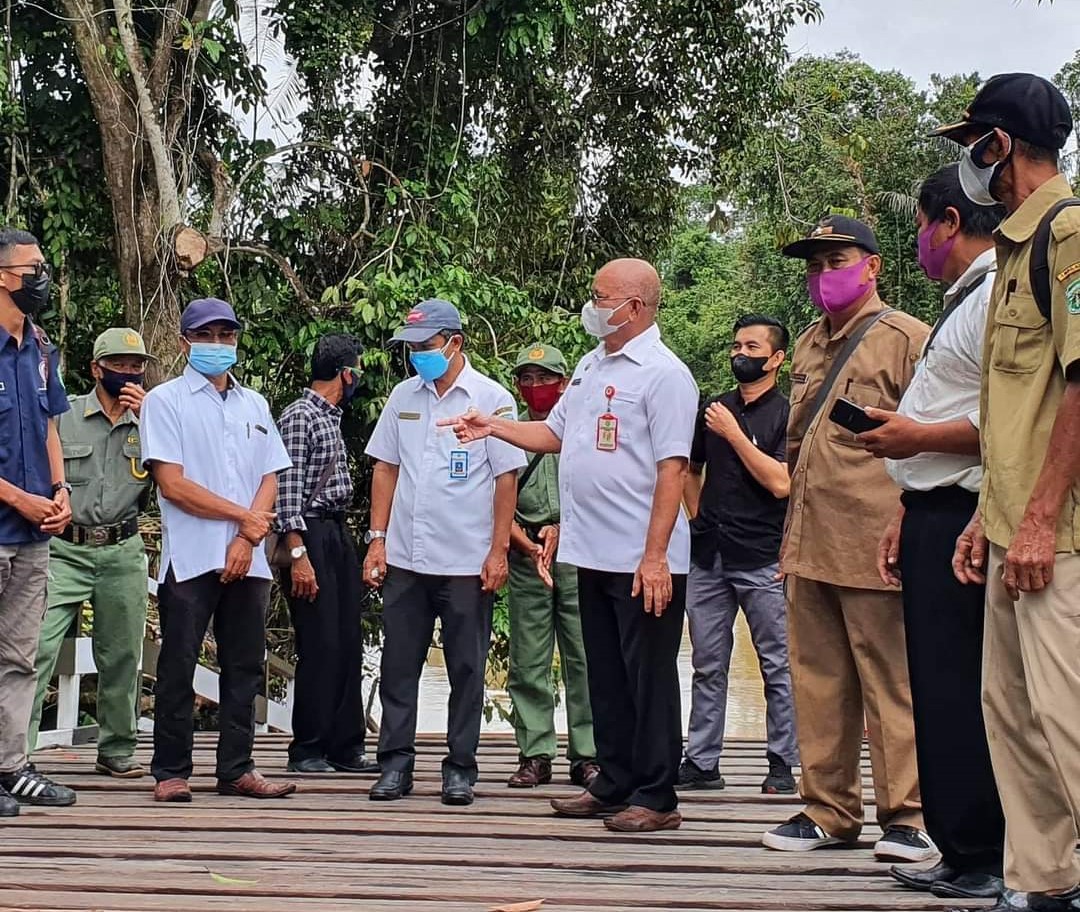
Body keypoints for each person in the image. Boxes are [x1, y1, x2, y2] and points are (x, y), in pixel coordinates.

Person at [442, 258, 699, 834]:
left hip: (643, 559)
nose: (592, 304)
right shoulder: (588, 366)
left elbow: (672, 469)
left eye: (600, 296)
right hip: (590, 552)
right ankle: (613, 781)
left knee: (648, 676)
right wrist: (495, 427)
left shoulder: (665, 374)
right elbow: (554, 435)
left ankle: (657, 796)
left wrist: (655, 555)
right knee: (605, 675)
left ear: (633, 307)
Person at [941, 73, 1080, 912]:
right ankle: (1042, 881)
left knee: (1066, 713)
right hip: (1009, 521)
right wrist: (988, 515)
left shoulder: (1070, 234)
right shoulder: (1015, 251)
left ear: (1001, 146)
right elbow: (1013, 407)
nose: (969, 165)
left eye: (972, 147)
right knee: (1014, 711)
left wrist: (1034, 518)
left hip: (1056, 534)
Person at [762, 215, 934, 862]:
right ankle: (828, 811)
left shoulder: (907, 340)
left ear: (873, 266)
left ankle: (908, 817)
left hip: (875, 540)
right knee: (818, 682)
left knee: (891, 684)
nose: (824, 275)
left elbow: (929, 444)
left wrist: (911, 526)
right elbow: (800, 448)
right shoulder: (806, 345)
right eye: (815, 265)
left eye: (838, 261)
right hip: (810, 540)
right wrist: (788, 542)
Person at [862, 165, 1006, 901]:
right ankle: (956, 844)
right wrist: (903, 503)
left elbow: (1008, 422)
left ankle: (985, 848)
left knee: (961, 687)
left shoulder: (998, 298)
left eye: (921, 224)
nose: (919, 238)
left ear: (947, 222)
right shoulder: (963, 300)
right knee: (934, 685)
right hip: (930, 506)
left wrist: (916, 435)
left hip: (966, 512)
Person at [362, 299, 525, 807]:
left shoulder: (492, 399)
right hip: (407, 558)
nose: (417, 356)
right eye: (411, 348)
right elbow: (385, 468)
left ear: (454, 343)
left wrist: (498, 552)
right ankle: (395, 766)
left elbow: (506, 479)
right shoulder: (403, 397)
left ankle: (460, 768)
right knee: (399, 664)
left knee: (467, 669)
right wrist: (377, 538)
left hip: (465, 560)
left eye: (425, 346)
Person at [140, 297, 296, 803]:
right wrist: (242, 519)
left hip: (246, 556)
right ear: (186, 341)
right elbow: (172, 484)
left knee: (245, 663)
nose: (218, 344)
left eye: (226, 335)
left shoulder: (255, 405)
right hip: (191, 553)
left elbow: (270, 474)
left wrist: (249, 536)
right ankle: (170, 770)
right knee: (179, 661)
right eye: (206, 335)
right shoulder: (166, 401)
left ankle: (236, 768)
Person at [28, 328, 155, 780]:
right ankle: (14, 753)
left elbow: (179, 478)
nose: (128, 372)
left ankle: (117, 748)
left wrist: (152, 423)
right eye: (118, 364)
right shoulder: (65, 416)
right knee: (36, 646)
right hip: (65, 548)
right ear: (96, 368)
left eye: (136, 365)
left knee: (121, 653)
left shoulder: (153, 420)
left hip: (122, 547)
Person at [680, 313, 798, 795]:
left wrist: (733, 434)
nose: (740, 355)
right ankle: (702, 762)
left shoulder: (787, 415)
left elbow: (780, 482)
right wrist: (695, 516)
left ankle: (781, 764)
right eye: (736, 346)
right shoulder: (713, 410)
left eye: (752, 348)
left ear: (776, 359)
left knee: (777, 663)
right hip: (709, 555)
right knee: (708, 661)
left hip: (764, 557)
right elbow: (689, 469)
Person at [274, 333, 378, 775]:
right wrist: (298, 552)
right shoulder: (300, 416)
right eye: (356, 369)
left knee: (347, 643)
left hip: (335, 532)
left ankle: (345, 744)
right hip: (309, 532)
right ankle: (309, 748)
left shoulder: (331, 417)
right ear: (344, 373)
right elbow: (287, 490)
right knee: (319, 643)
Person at [0, 227, 74, 816]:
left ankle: (11, 765)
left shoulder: (41, 348)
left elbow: (51, 427)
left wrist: (58, 490)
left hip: (33, 534)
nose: (41, 278)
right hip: (6, 522)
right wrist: (18, 499)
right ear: (3, 276)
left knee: (21, 655)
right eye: (33, 268)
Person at [505, 343, 598, 790]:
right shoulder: (511, 433)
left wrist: (564, 530)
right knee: (528, 659)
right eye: (527, 379)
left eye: (545, 378)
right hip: (526, 555)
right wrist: (525, 544)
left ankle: (588, 754)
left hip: (580, 554)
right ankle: (535, 753)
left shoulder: (583, 429)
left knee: (585, 656)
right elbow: (495, 499)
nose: (536, 387)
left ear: (564, 384)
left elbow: (602, 489)